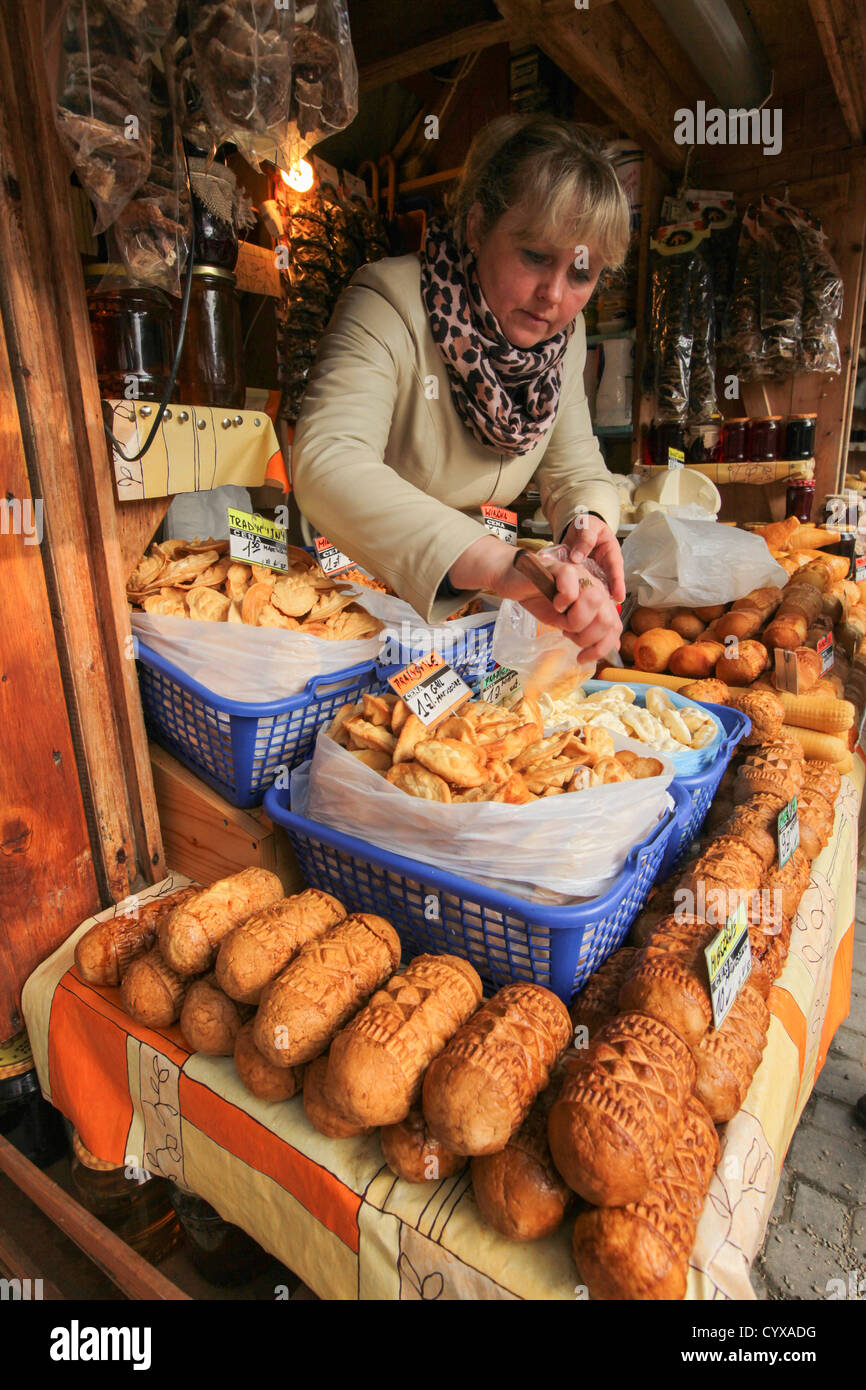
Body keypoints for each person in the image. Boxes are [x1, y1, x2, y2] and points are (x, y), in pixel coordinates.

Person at [292, 114, 630, 663]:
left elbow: (576, 469)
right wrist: (498, 562)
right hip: (350, 593)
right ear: (477, 228)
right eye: (536, 257)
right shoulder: (387, 301)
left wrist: (586, 525)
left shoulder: (563, 339)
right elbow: (329, 461)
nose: (553, 295)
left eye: (581, 274)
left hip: (471, 593)